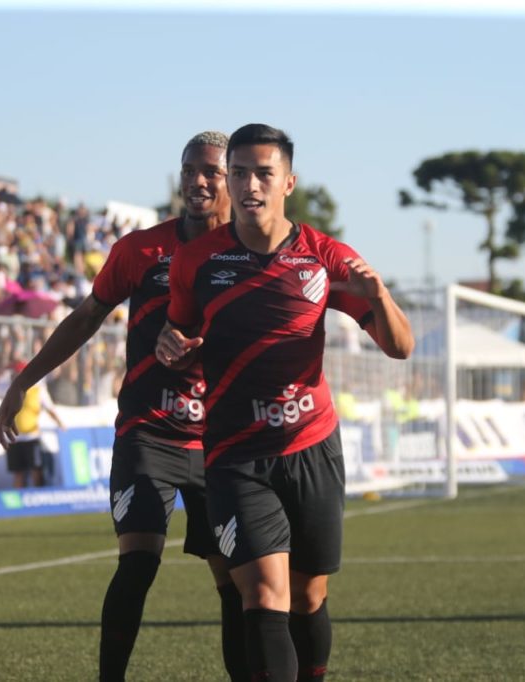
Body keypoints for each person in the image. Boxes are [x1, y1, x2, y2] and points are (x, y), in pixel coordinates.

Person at [157, 123, 414, 682]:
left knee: (307, 594)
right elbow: (176, 341)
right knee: (264, 593)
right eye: (240, 173)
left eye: (263, 174)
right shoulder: (195, 262)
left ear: (288, 182)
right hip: (234, 453)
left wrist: (381, 295)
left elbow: (400, 347)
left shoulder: (325, 258)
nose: (250, 185)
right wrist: (170, 346)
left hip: (310, 445)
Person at [0, 131, 247, 682]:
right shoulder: (139, 250)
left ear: (232, 179)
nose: (197, 181)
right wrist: (25, 381)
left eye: (210, 171)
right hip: (147, 432)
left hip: (218, 440)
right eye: (188, 170)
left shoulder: (248, 255)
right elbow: (86, 317)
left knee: (236, 585)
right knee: (136, 566)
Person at [6, 362, 65, 488]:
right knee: (18, 474)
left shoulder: (38, 390)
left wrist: (60, 424)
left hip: (31, 437)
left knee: (36, 471)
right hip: (14, 438)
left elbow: (50, 409)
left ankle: (37, 500)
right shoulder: (10, 388)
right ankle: (18, 503)